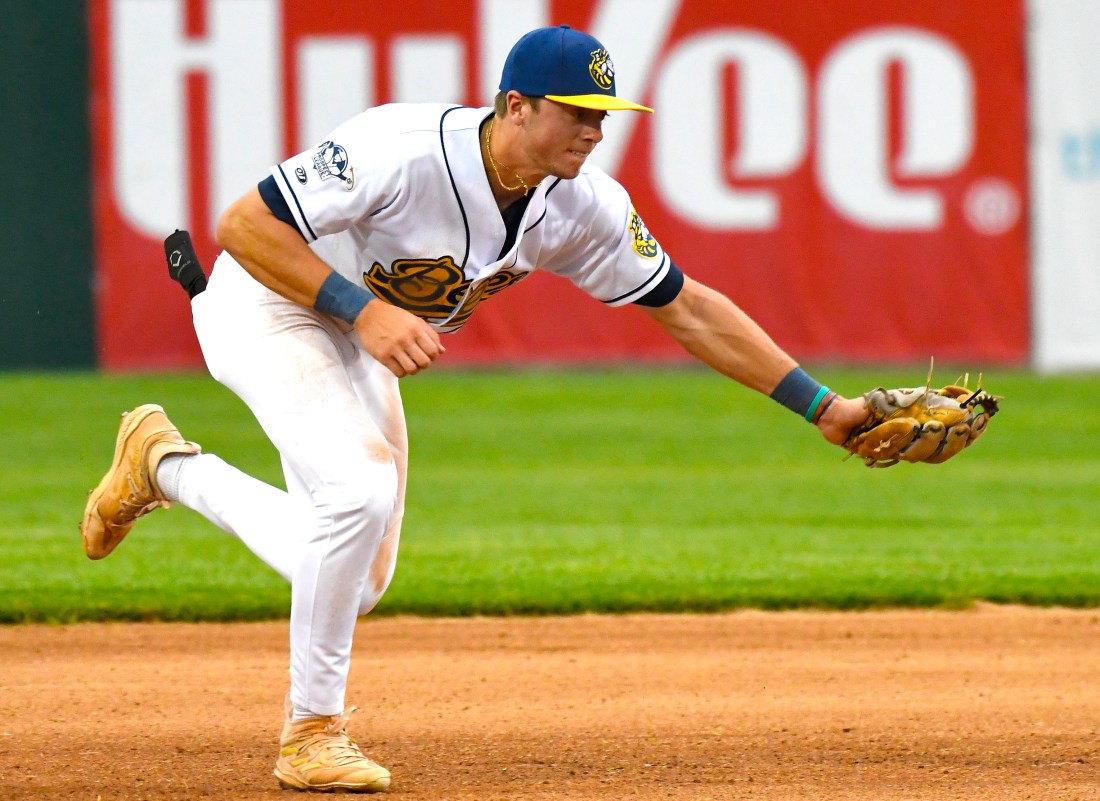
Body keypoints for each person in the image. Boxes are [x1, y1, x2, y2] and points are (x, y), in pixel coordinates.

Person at [80, 24, 868, 794]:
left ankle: (165, 466)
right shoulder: (400, 147)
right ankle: (311, 732)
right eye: (577, 111)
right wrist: (364, 311)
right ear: (516, 106)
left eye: (603, 115)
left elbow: (687, 307)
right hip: (266, 303)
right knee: (358, 491)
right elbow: (243, 225)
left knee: (355, 578)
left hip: (361, 336)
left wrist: (825, 408)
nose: (594, 131)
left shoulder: (583, 204)